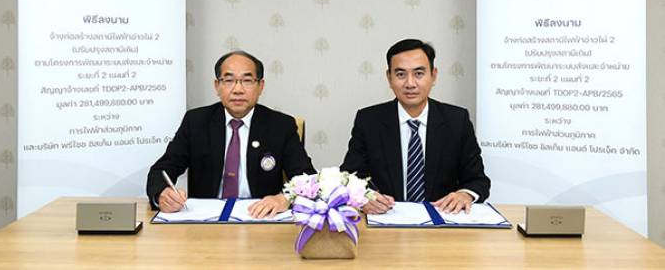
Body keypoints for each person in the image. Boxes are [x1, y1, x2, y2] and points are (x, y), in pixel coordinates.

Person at [146, 50, 315, 218]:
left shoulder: (281, 125)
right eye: (228, 80)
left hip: (261, 218)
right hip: (205, 221)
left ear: (260, 86)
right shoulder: (196, 122)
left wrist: (285, 198)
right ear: (217, 86)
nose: (238, 89)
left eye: (247, 81)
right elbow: (161, 170)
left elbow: (308, 178)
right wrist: (162, 194)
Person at [340, 39, 490, 214]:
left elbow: (478, 180)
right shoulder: (369, 121)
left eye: (419, 73)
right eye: (400, 74)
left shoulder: (457, 120)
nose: (410, 84)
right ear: (389, 78)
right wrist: (364, 197)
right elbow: (349, 177)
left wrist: (465, 195)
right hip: (387, 219)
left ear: (433, 75)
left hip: (442, 220)